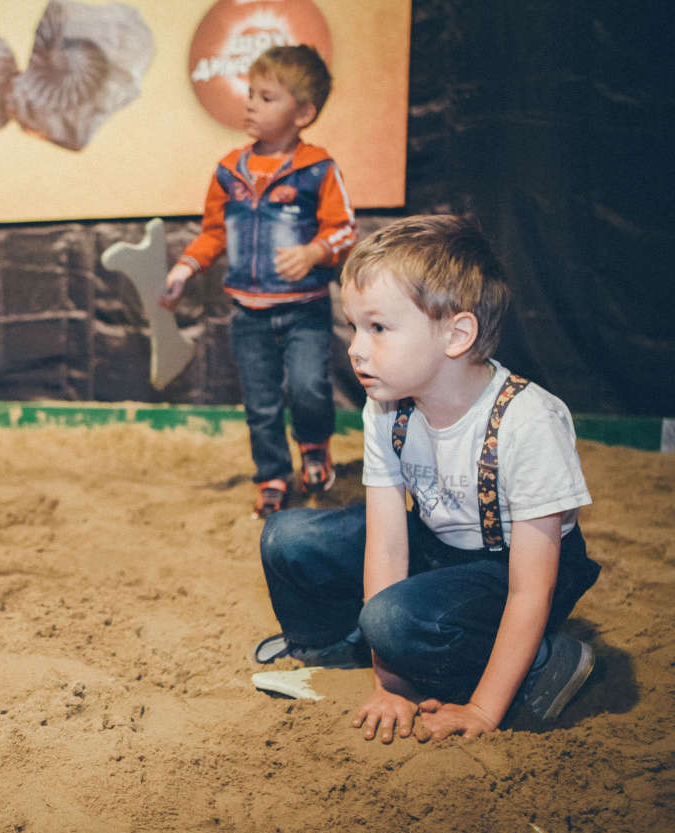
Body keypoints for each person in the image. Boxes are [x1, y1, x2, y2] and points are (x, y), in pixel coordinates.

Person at [254, 214, 600, 743]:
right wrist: (390, 683)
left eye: (379, 328)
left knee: (393, 619)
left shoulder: (528, 421)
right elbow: (387, 544)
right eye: (352, 327)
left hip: (515, 571)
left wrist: (483, 711)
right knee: (289, 538)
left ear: (457, 334)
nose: (356, 348)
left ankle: (544, 660)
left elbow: (533, 587)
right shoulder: (385, 407)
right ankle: (343, 641)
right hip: (437, 544)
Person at [160, 44, 357, 518]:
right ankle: (271, 476)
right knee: (261, 403)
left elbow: (345, 229)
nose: (251, 104)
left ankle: (313, 446)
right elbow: (212, 233)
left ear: (303, 112)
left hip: (304, 309)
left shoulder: (317, 168)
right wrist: (186, 267)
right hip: (247, 314)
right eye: (250, 94)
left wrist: (314, 251)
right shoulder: (229, 171)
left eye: (266, 97)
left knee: (309, 387)